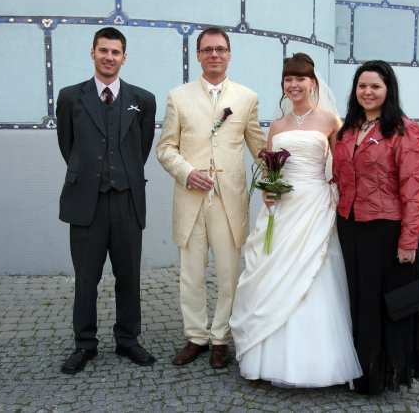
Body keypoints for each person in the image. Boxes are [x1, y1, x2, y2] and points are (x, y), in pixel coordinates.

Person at [229, 53, 362, 387]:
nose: (294, 84)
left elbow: (343, 166)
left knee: (314, 274)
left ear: (313, 83)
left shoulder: (330, 120)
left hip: (314, 205)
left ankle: (318, 362)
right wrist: (267, 190)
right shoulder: (277, 125)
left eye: (300, 78)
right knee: (271, 270)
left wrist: (337, 193)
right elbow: (270, 167)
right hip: (282, 208)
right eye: (288, 79)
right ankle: (267, 355)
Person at [156, 27, 266, 368]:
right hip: (190, 198)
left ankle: (221, 338)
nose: (214, 54)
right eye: (207, 49)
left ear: (229, 54)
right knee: (191, 274)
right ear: (198, 55)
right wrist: (187, 172)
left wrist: (282, 174)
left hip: (229, 200)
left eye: (220, 49)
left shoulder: (247, 97)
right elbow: (165, 148)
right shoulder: (178, 96)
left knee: (229, 273)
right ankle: (196, 336)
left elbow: (259, 148)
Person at [56, 27, 157, 374]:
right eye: (103, 50)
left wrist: (122, 173)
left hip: (127, 200)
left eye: (115, 52)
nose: (108, 57)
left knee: (129, 275)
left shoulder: (143, 99)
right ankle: (84, 344)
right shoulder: (71, 97)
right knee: (86, 278)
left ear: (124, 57)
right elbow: (68, 145)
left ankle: (128, 339)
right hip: (86, 202)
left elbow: (141, 148)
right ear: (93, 53)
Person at [332, 60, 419, 394]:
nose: (368, 92)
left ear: (388, 90)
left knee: (384, 303)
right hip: (350, 225)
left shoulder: (403, 130)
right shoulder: (348, 128)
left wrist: (408, 240)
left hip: (386, 228)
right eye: (362, 86)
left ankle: (382, 375)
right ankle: (358, 371)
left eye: (375, 86)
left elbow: (414, 188)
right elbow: (339, 177)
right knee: (358, 300)